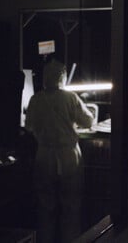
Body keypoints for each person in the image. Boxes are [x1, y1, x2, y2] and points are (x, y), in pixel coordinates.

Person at [25, 59, 95, 243]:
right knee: (71, 208)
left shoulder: (36, 99)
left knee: (45, 209)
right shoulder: (70, 98)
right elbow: (88, 121)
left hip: (44, 157)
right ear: (62, 77)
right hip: (68, 156)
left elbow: (29, 125)